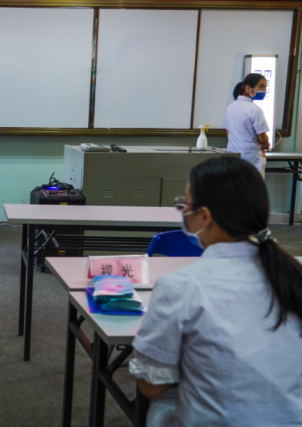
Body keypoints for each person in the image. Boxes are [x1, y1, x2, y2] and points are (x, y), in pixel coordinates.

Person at [129, 156, 302, 426]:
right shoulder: (291, 275)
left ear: (205, 216)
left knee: (162, 404)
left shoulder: (179, 286)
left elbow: (152, 386)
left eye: (184, 205)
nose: (183, 212)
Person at [225, 73, 271, 177]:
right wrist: (266, 144)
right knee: (253, 188)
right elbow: (262, 138)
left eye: (265, 87)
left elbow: (228, 132)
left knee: (235, 186)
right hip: (251, 156)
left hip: (233, 154)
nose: (264, 91)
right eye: (261, 87)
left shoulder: (231, 107)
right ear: (248, 88)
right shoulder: (255, 109)